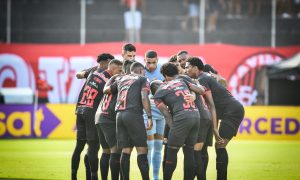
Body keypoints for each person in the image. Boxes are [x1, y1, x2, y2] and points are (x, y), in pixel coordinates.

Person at [185, 57, 245, 180]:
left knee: (220, 145)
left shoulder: (202, 80)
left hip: (232, 112)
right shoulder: (204, 78)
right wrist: (215, 128)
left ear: (196, 68)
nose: (185, 69)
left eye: (187, 67)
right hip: (230, 110)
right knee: (219, 146)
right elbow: (214, 107)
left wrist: (215, 129)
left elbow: (211, 105)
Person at [151, 63, 203, 180]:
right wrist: (193, 95)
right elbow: (200, 90)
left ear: (165, 76)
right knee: (189, 151)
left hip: (182, 118)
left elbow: (166, 114)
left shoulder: (159, 92)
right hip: (195, 115)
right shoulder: (182, 81)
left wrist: (174, 129)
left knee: (171, 151)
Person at [104, 62, 153, 180]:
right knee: (142, 149)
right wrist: (150, 116)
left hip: (119, 115)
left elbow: (106, 90)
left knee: (125, 150)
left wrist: (110, 79)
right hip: (133, 114)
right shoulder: (143, 79)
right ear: (141, 70)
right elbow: (144, 97)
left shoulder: (121, 79)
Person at [71, 53, 114, 180]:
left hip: (80, 110)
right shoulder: (108, 77)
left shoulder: (92, 71)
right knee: (93, 147)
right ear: (106, 62)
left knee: (79, 147)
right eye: (111, 63)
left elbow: (78, 74)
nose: (111, 67)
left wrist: (85, 73)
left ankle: (74, 176)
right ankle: (94, 176)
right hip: (91, 113)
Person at [95, 60, 133, 180]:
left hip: (99, 117)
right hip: (108, 118)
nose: (122, 73)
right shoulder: (122, 81)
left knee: (105, 152)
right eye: (120, 70)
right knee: (115, 151)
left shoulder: (111, 80)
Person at [143, 50, 165, 180]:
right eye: (148, 62)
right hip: (147, 113)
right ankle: (146, 177)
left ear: (157, 60)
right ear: (144, 60)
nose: (151, 65)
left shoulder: (163, 71)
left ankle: (156, 177)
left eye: (153, 62)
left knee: (158, 147)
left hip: (161, 113)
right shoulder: (140, 71)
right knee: (149, 146)